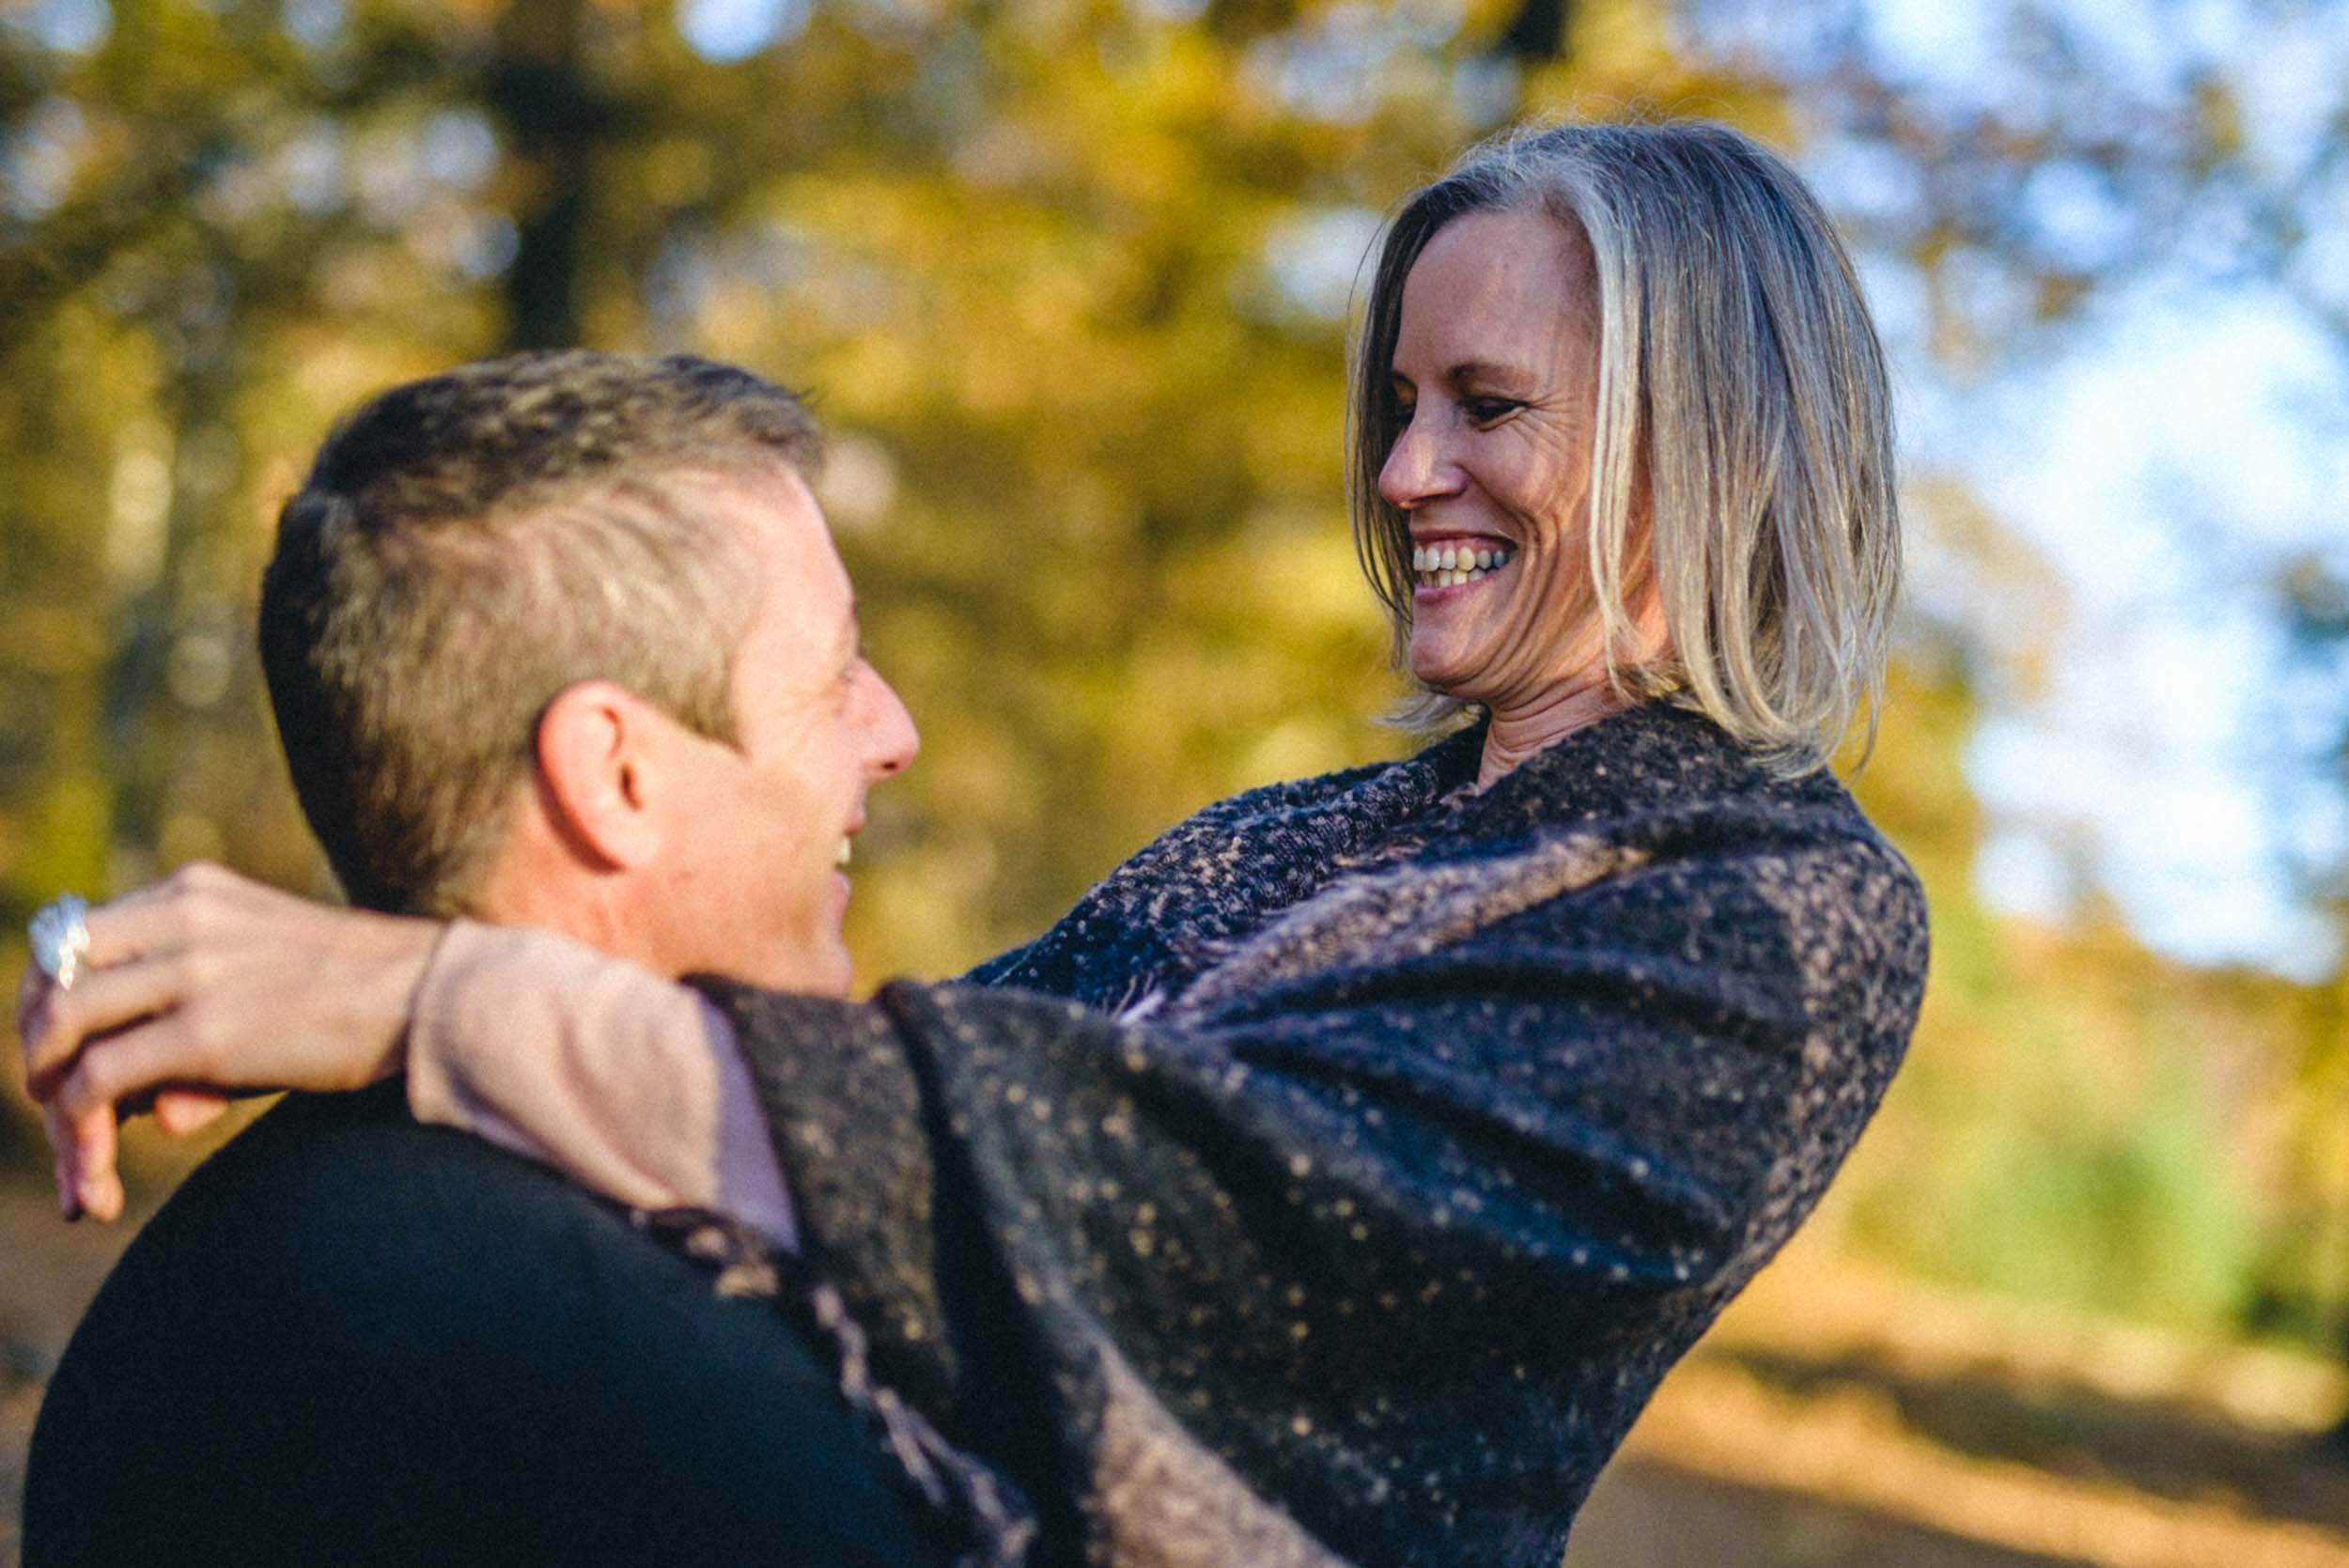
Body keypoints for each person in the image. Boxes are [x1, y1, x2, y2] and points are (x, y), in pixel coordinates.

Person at [20, 119, 1929, 1568]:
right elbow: (862, 1091)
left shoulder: (1770, 912)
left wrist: (439, 993)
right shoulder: (1297, 835)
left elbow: (1183, 1215)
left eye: (1485, 408)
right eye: (1400, 404)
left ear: (1711, 445)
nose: (1405, 471)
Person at [17, 353, 998, 1567]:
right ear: (617, 775)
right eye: (833, 671)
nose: (892, 730)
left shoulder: (173, 1307)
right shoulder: (667, 1391)